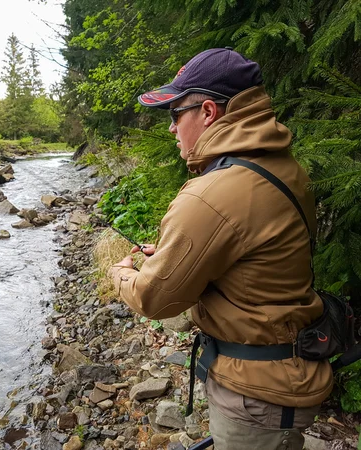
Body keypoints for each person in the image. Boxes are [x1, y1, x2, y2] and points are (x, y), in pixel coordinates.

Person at [109, 48, 333, 450]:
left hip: (255, 395)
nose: (172, 128)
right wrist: (174, 253)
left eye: (176, 114)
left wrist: (120, 274)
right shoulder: (282, 167)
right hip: (286, 376)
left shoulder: (213, 193)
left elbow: (155, 299)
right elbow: (254, 254)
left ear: (208, 112)